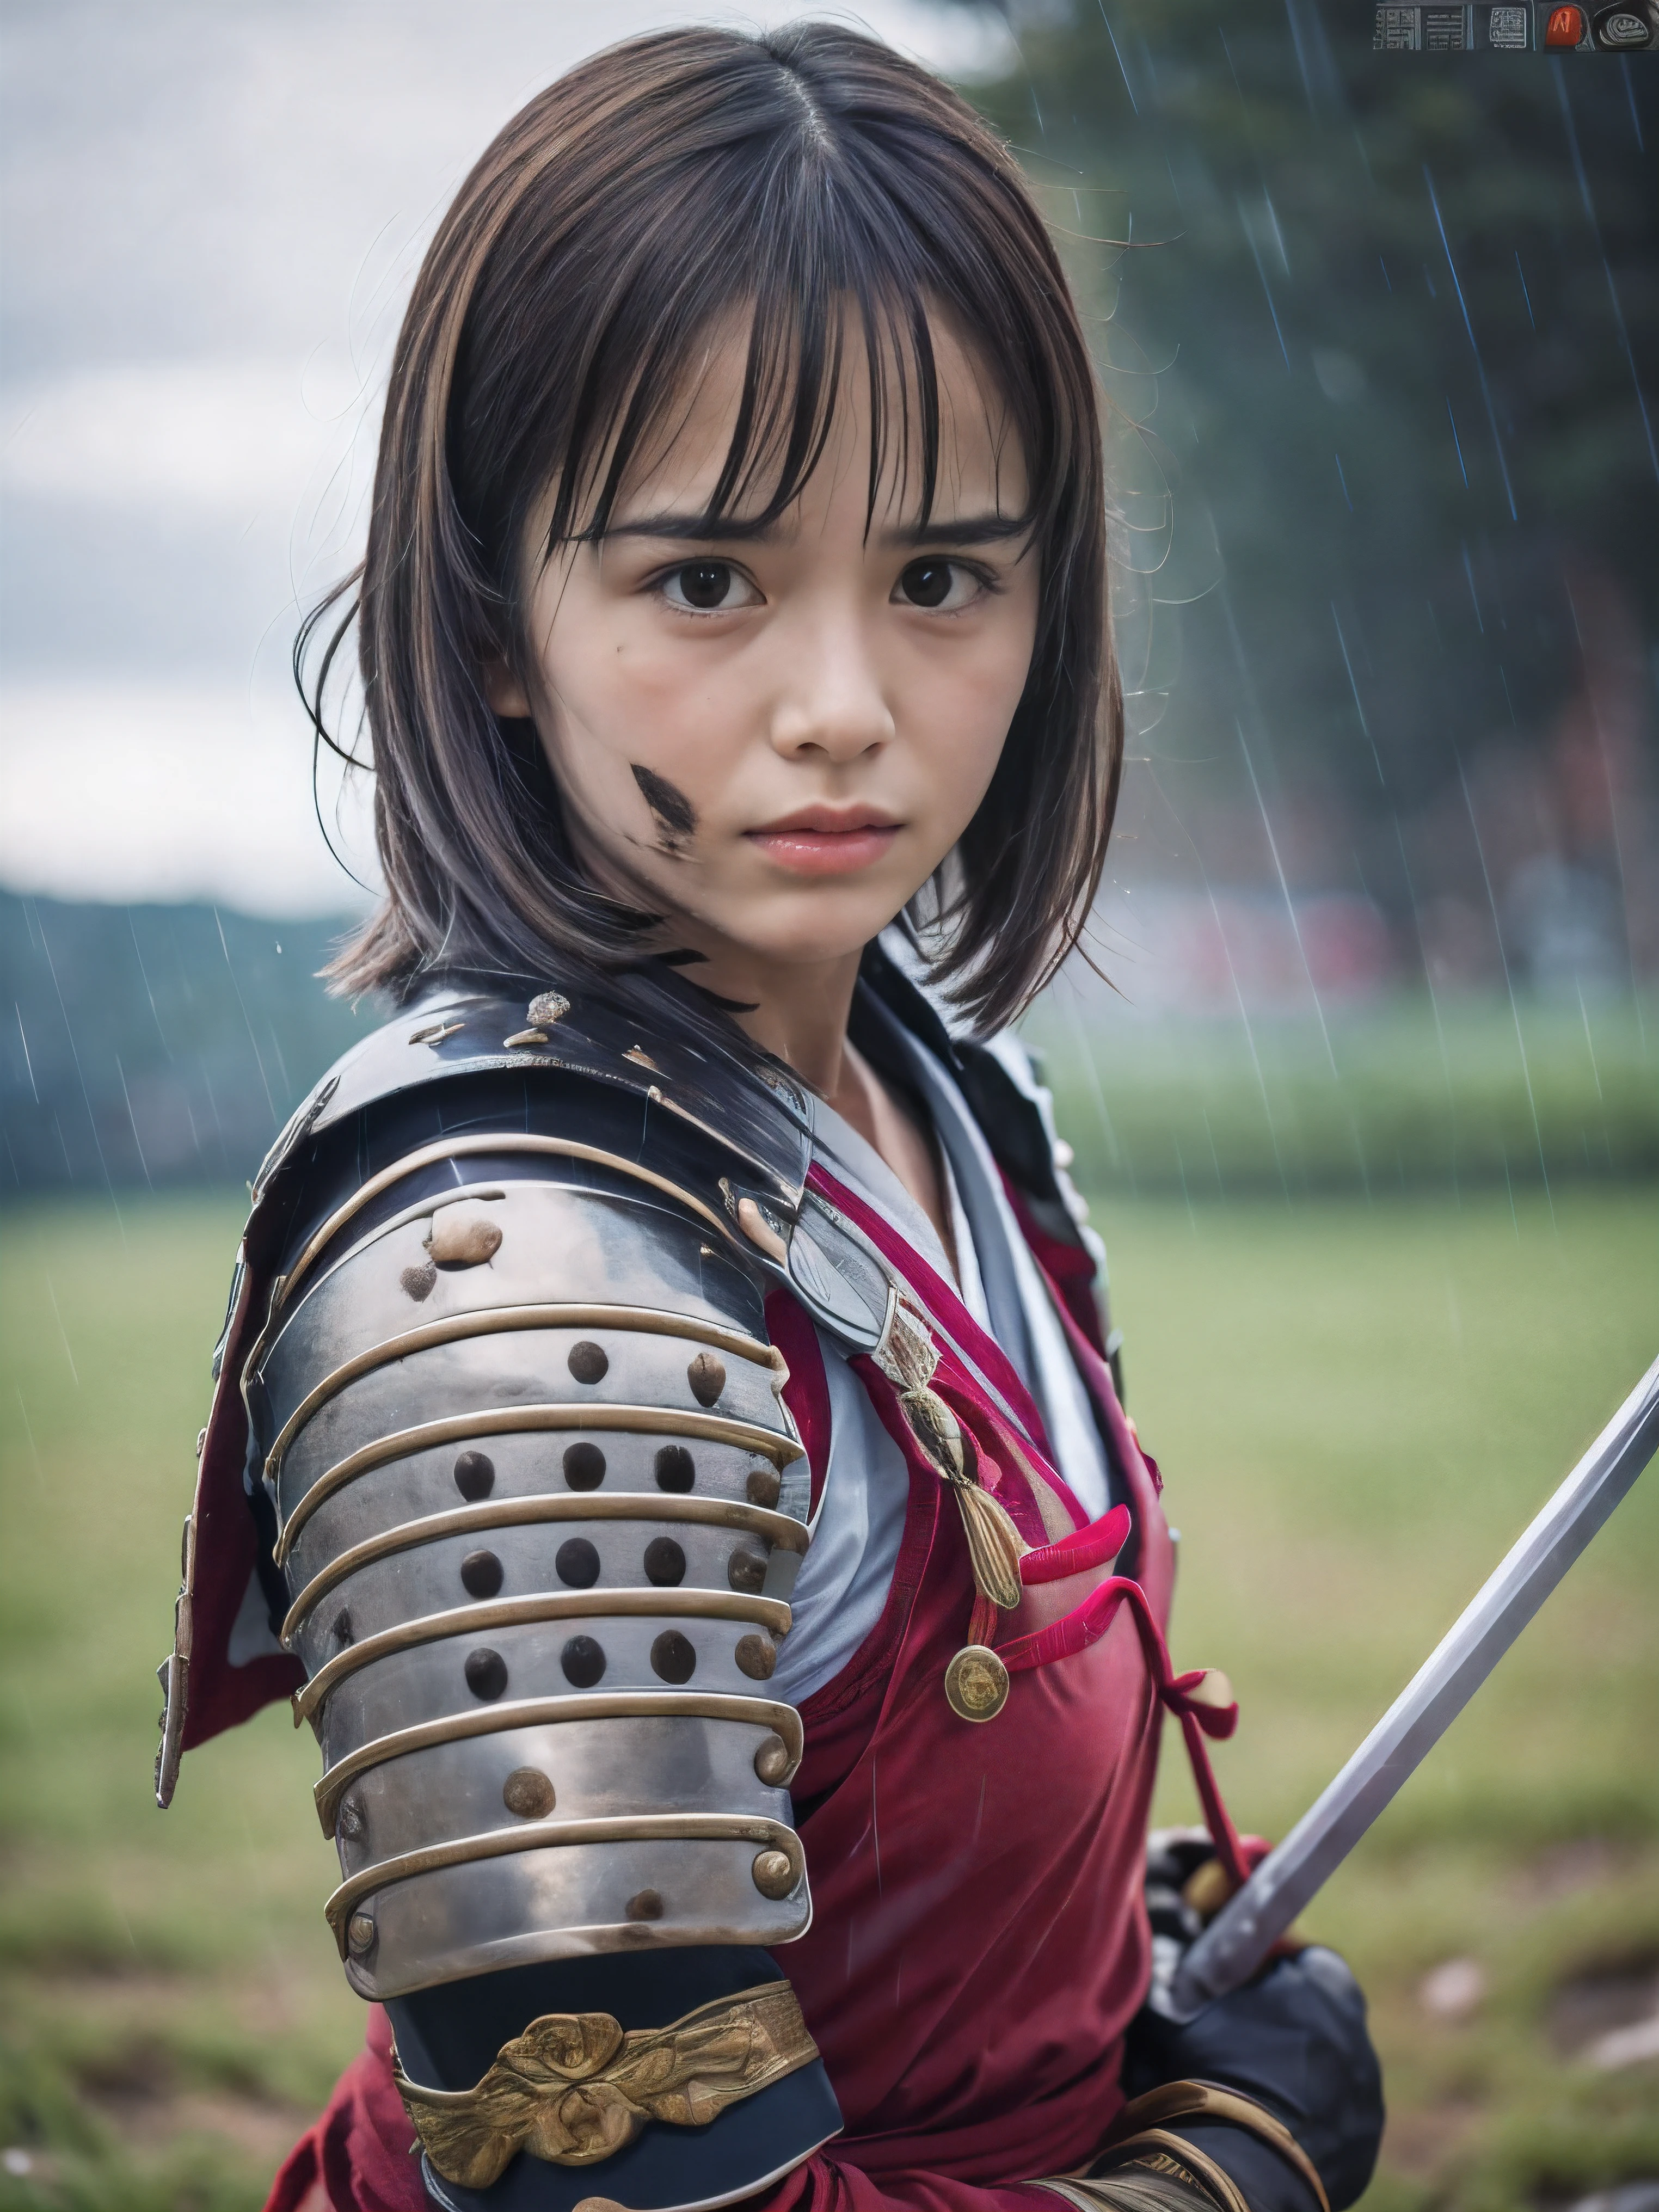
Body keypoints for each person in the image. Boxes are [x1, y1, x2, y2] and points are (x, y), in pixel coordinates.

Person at [153, 26, 1382, 2212]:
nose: (844, 706)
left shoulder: (929, 1090)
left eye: (943, 576)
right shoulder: (512, 1304)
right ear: (497, 621)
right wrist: (1241, 2172)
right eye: (704, 579)